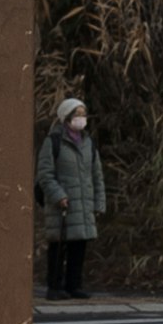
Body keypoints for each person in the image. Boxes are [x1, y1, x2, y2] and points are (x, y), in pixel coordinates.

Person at [36, 93, 105, 302]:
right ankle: (54, 286)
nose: (82, 119)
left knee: (79, 246)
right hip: (62, 205)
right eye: (78, 114)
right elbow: (45, 174)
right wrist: (59, 196)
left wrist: (99, 203)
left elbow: (97, 175)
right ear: (66, 117)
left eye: (84, 115)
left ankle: (74, 285)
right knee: (58, 246)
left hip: (83, 203)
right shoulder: (54, 142)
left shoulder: (88, 144)